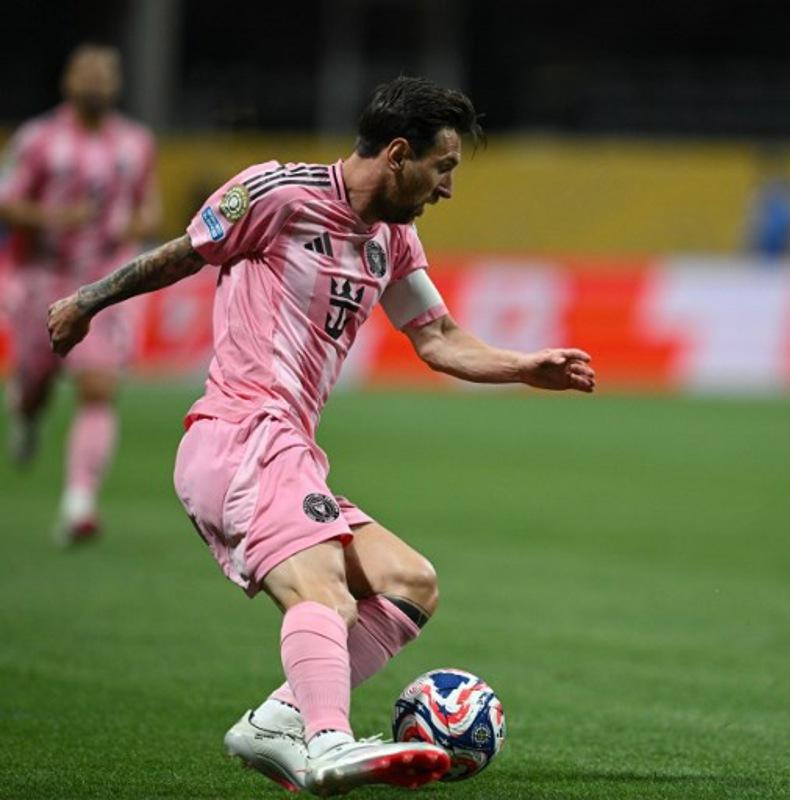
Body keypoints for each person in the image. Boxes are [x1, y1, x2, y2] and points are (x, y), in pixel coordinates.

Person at [48, 75, 596, 795]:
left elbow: (438, 338)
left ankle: (279, 720)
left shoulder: (393, 241)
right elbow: (185, 252)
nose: (448, 188)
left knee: (409, 582)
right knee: (327, 595)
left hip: (289, 449)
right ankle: (328, 741)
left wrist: (524, 366)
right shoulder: (279, 194)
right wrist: (87, 302)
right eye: (444, 167)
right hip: (241, 434)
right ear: (399, 154)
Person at [0, 44, 159, 543]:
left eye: (104, 75)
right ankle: (26, 414)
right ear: (67, 80)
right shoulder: (39, 139)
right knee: (35, 386)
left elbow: (150, 212)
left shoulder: (136, 143)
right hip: (41, 277)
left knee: (98, 387)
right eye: (85, 74)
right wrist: (56, 219)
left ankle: (79, 502)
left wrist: (130, 225)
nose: (95, 83)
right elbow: (9, 205)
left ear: (116, 83)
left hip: (104, 280)